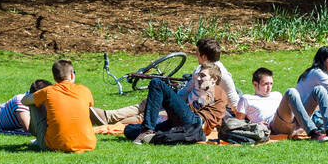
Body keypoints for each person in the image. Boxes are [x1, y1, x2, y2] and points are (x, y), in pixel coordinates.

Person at [91, 38, 241, 125]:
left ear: (204, 56)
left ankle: (115, 125)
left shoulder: (223, 75)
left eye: (197, 53)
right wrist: (171, 99)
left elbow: (234, 101)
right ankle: (108, 115)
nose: (195, 56)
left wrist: (240, 121)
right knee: (148, 102)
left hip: (191, 112)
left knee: (152, 113)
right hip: (183, 104)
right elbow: (187, 90)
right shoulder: (201, 69)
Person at [127, 63, 228, 144]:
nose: (198, 79)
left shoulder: (216, 90)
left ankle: (147, 130)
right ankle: (148, 134)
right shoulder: (206, 91)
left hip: (195, 124)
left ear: (214, 79)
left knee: (157, 83)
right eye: (198, 75)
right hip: (184, 123)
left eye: (203, 76)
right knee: (130, 130)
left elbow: (202, 102)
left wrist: (203, 90)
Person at [28, 59, 97, 153]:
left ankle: (39, 137)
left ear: (54, 77)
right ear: (72, 75)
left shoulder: (48, 91)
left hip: (55, 145)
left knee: (32, 102)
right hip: (88, 144)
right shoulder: (85, 90)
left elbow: (24, 101)